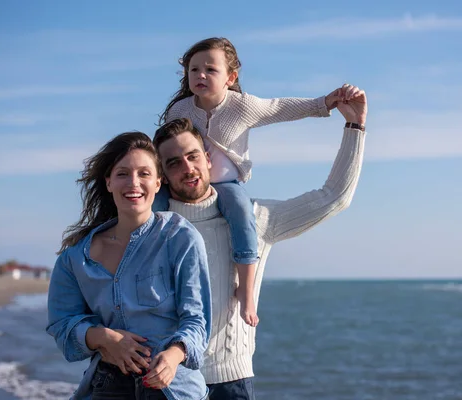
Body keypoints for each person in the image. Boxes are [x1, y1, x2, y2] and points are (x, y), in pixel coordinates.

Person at [152, 84, 368, 399]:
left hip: (232, 383)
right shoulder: (151, 226)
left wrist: (355, 126)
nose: (187, 168)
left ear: (209, 157)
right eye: (173, 163)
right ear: (163, 173)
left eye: (192, 156)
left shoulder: (255, 219)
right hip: (168, 382)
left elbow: (334, 197)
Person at [153, 37, 359, 328]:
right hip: (185, 185)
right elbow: (164, 145)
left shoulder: (242, 106)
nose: (200, 75)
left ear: (231, 77)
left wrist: (324, 103)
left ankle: (246, 289)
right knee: (154, 208)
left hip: (225, 183)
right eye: (194, 70)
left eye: (210, 70)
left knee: (242, 215)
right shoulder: (180, 110)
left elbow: (280, 108)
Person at [46, 132, 211, 400]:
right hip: (107, 386)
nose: (133, 183)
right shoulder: (75, 257)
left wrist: (173, 356)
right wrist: (104, 337)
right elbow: (61, 325)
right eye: (122, 173)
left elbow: (197, 319)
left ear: (158, 182)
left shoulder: (179, 237)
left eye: (144, 173)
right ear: (108, 182)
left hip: (173, 389)